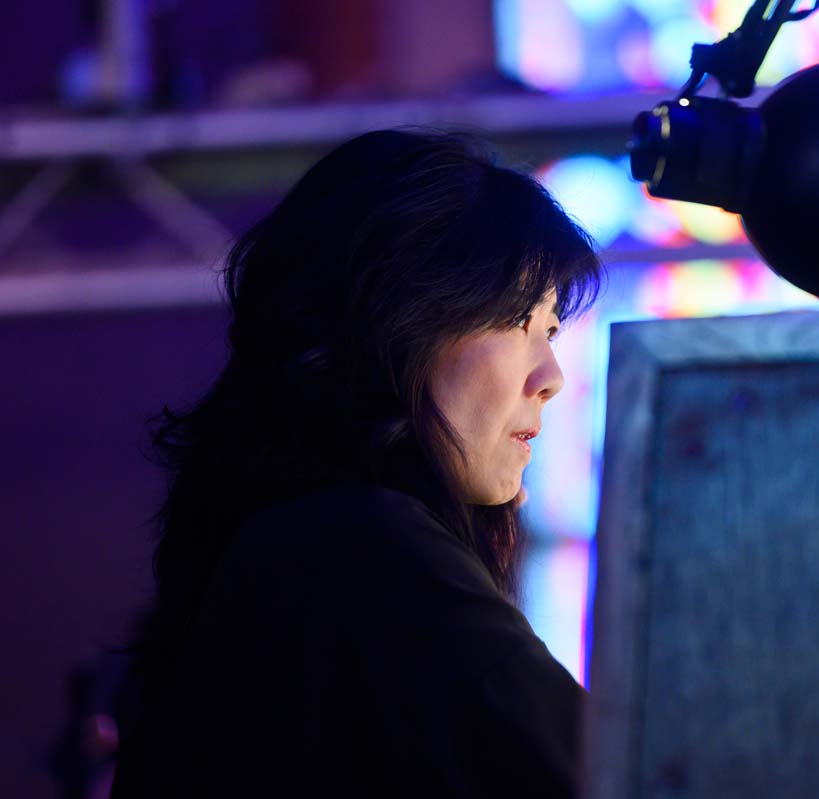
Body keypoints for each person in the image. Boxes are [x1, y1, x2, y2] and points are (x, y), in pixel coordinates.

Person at [109, 129, 603, 798]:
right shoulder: (363, 546)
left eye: (551, 331)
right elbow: (621, 778)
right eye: (516, 319)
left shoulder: (281, 536)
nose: (551, 377)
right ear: (399, 323)